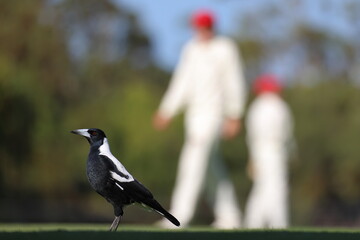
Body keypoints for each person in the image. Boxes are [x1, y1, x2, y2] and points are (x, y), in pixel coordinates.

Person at [153, 10, 247, 228]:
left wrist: (235, 114)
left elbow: (235, 81)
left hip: (215, 115)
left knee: (193, 160)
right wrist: (166, 110)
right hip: (193, 117)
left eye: (205, 27)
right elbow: (181, 83)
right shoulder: (191, 49)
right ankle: (230, 217)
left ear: (212, 27)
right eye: (198, 26)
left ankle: (179, 215)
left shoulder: (225, 48)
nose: (202, 30)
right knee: (212, 168)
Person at [244, 74, 294, 228]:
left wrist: (252, 157)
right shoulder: (279, 106)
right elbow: (287, 133)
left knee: (262, 187)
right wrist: (292, 153)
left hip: (259, 151)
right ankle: (278, 224)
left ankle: (253, 223)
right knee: (276, 188)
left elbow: (251, 135)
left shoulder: (255, 107)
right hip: (275, 150)